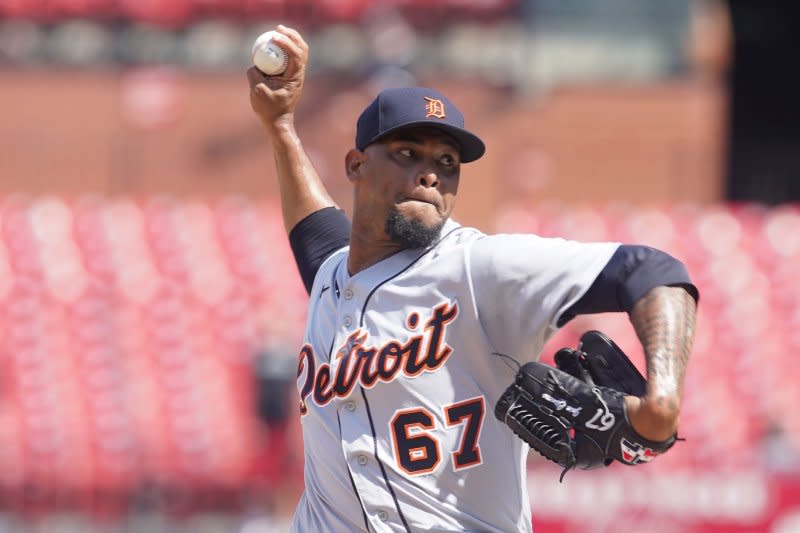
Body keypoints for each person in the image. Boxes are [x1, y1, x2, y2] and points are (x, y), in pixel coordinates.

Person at [247, 25, 698, 533]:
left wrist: (662, 401)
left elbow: (653, 271)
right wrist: (281, 125)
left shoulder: (479, 267)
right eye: (406, 153)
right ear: (355, 165)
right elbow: (314, 231)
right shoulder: (334, 274)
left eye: (447, 163)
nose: (430, 174)